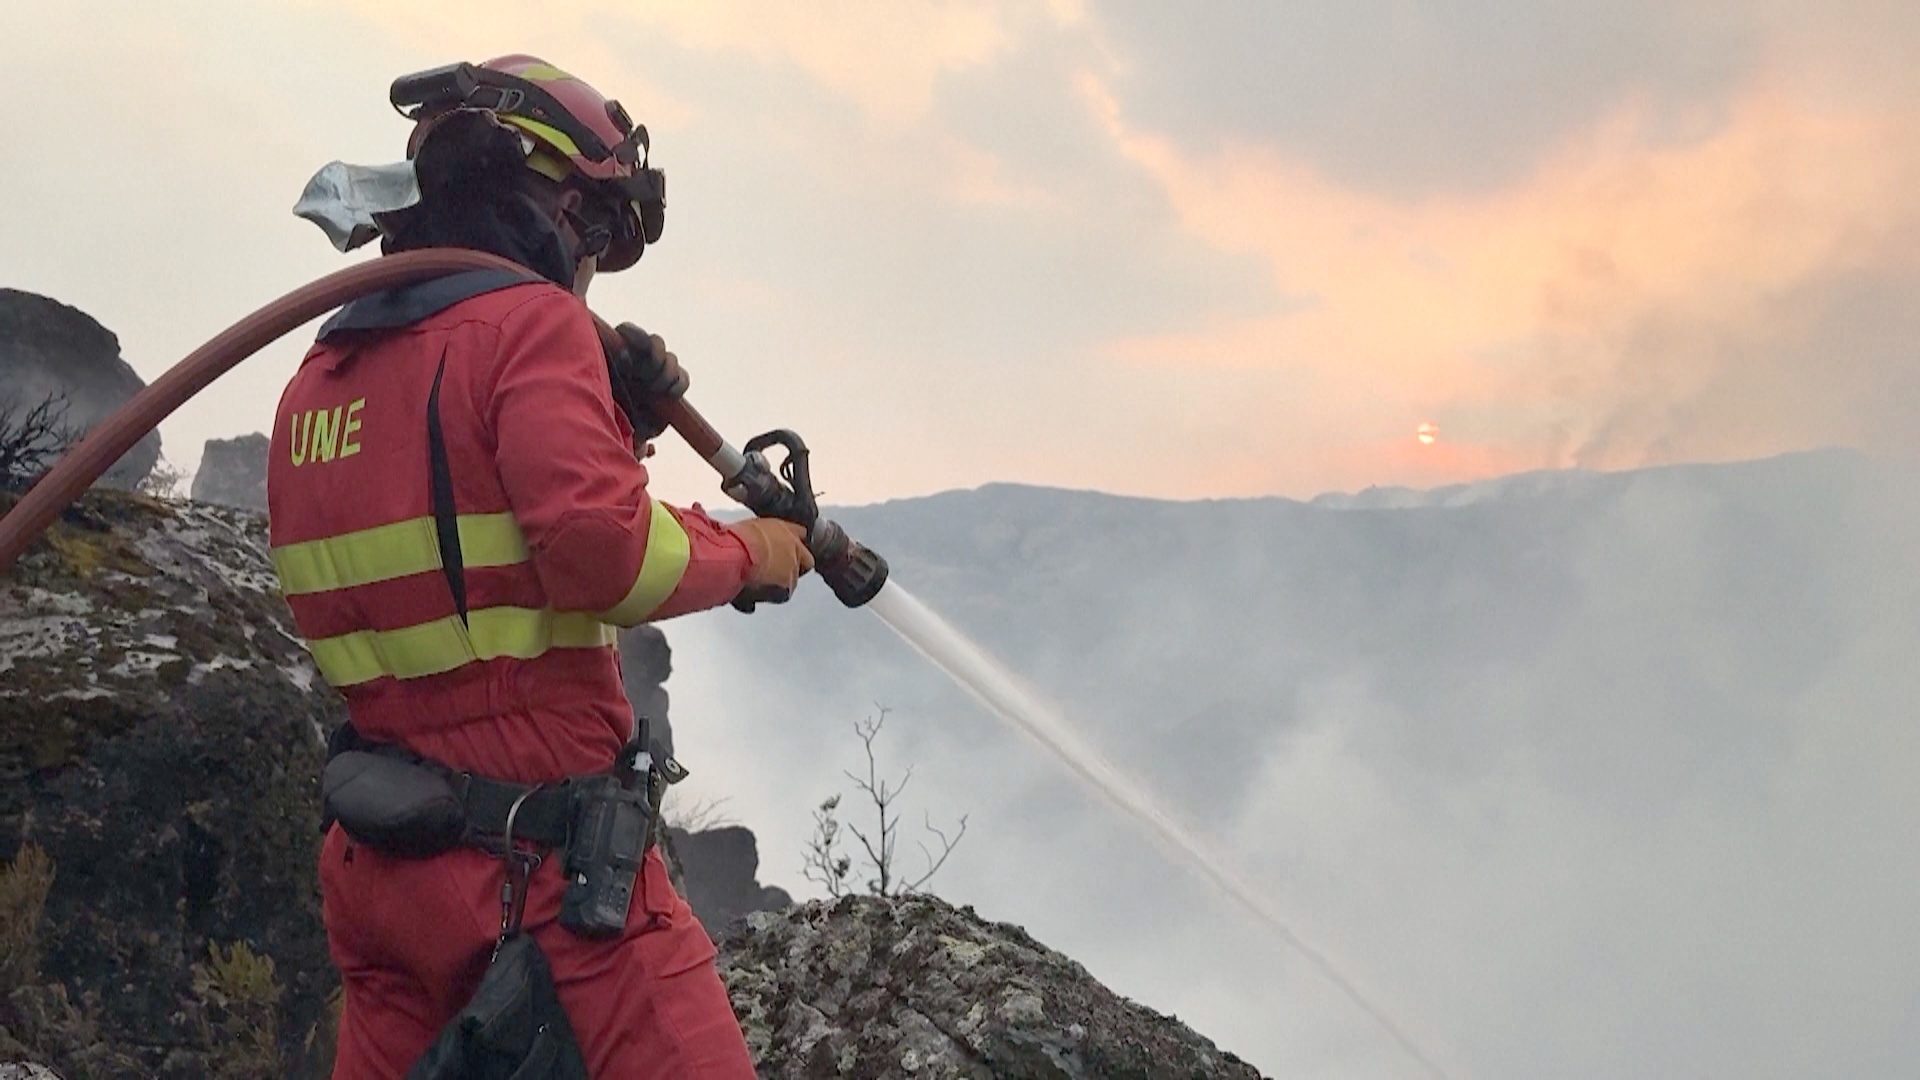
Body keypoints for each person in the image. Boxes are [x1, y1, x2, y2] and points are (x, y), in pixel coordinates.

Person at [266, 55, 807, 1077]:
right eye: (594, 231)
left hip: (386, 873)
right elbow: (601, 554)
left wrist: (618, 426)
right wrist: (753, 551)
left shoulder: (322, 379)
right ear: (549, 203)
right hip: (545, 876)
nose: (589, 267)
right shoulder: (531, 326)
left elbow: (471, 548)